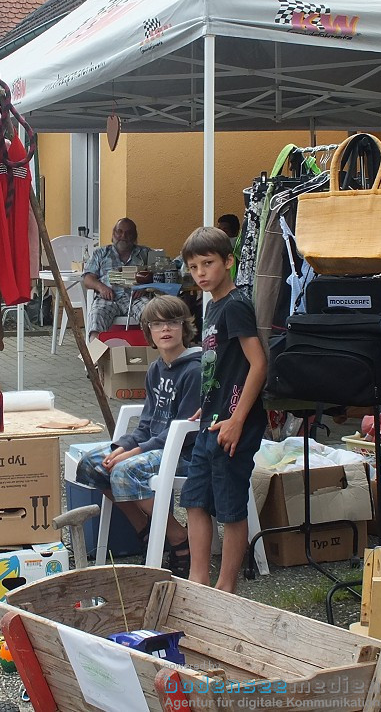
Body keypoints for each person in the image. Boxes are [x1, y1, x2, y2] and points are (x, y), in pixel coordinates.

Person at [75, 296, 201, 576]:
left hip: (184, 453)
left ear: (185, 327)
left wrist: (134, 452)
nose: (165, 329)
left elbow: (182, 430)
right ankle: (144, 530)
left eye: (172, 322)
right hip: (153, 447)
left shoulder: (194, 370)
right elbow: (146, 423)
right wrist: (123, 446)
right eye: (157, 324)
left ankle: (178, 537)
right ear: (149, 333)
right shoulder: (155, 369)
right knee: (93, 464)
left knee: (125, 471)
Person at [178, 226, 267, 593]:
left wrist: (236, 419)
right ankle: (198, 581)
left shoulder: (236, 305)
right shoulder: (212, 305)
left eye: (208, 263)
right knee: (195, 500)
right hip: (211, 422)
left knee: (230, 507)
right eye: (193, 266)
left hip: (235, 425)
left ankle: (225, 589)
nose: (200, 272)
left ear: (228, 262)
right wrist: (206, 404)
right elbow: (221, 365)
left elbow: (258, 365)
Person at [82, 218, 153, 339]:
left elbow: (159, 276)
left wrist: (146, 287)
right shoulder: (100, 253)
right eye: (119, 232)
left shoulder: (145, 253)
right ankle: (95, 355)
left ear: (135, 236)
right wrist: (101, 287)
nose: (123, 236)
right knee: (96, 316)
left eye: (128, 233)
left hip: (136, 298)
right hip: (108, 298)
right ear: (113, 234)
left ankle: (151, 352)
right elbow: (88, 278)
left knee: (153, 313)